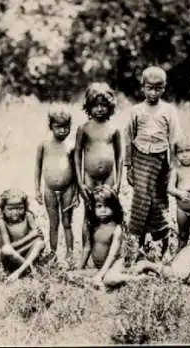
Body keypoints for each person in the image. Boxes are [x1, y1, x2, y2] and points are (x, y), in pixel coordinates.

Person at [125, 66, 180, 258]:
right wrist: (128, 166)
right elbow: (129, 139)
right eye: (150, 88)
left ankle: (165, 245)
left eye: (158, 88)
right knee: (141, 201)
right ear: (143, 87)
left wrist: (172, 168)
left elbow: (174, 141)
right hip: (140, 160)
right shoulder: (136, 110)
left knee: (158, 201)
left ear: (164, 88)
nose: (153, 92)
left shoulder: (169, 110)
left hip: (160, 161)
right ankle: (138, 245)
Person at [74, 82, 123, 264]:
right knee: (89, 214)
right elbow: (77, 156)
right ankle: (85, 254)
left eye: (103, 105)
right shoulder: (84, 128)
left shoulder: (114, 128)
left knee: (109, 213)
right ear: (89, 106)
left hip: (109, 176)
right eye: (95, 105)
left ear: (110, 106)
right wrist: (80, 183)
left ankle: (110, 253)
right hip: (89, 177)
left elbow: (120, 157)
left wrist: (118, 181)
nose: (100, 109)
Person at [76, 184, 149, 289]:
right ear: (93, 208)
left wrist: (100, 275)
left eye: (107, 206)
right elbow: (87, 248)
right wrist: (80, 270)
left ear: (114, 207)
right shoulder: (92, 226)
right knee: (71, 275)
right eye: (99, 206)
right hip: (100, 268)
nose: (103, 210)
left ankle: (137, 278)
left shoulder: (117, 229)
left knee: (109, 279)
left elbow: (112, 256)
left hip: (115, 265)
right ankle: (99, 279)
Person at [35, 107, 79, 265]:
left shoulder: (71, 145)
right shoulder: (44, 144)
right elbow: (38, 167)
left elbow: (76, 171)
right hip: (49, 189)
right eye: (58, 127)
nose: (62, 131)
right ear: (50, 126)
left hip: (68, 189)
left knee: (67, 223)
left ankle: (70, 254)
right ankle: (53, 254)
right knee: (53, 223)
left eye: (66, 127)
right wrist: (36, 189)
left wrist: (76, 192)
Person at [0, 188, 45, 281]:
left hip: (28, 254)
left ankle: (19, 272)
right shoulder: (2, 223)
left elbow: (39, 236)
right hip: (12, 256)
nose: (15, 212)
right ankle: (30, 270)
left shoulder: (28, 216)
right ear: (3, 209)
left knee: (40, 243)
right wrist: (30, 237)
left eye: (19, 208)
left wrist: (36, 237)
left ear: (25, 207)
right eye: (10, 209)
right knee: (6, 250)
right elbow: (8, 246)